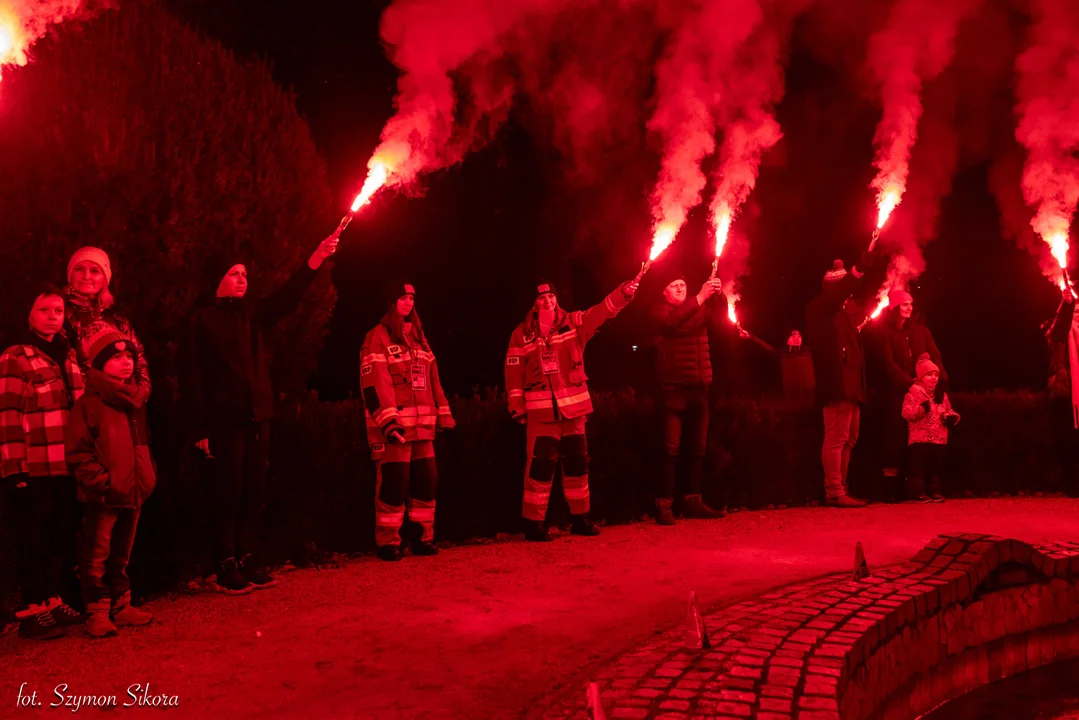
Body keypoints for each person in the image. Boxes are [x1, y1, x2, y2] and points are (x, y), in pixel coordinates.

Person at [179, 235, 339, 591]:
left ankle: (247, 556)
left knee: (253, 490)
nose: (242, 279)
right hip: (223, 421)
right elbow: (192, 376)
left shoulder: (251, 313)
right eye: (235, 273)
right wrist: (199, 427)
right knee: (227, 491)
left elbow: (289, 297)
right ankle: (223, 562)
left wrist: (315, 256)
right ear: (219, 277)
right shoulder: (199, 319)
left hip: (257, 416)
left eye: (245, 274)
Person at [505, 276, 638, 541]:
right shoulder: (521, 334)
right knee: (539, 472)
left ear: (557, 299)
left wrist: (624, 292)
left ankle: (580, 519)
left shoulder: (575, 323)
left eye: (551, 296)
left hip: (574, 414)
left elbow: (601, 311)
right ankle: (533, 525)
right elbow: (513, 372)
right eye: (542, 298)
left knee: (578, 468)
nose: (547, 301)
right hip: (541, 415)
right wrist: (516, 407)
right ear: (534, 303)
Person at [0, 285, 85, 639]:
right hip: (35, 463)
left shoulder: (67, 354)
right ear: (29, 314)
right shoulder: (15, 357)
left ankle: (53, 599)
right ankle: (31, 609)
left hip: (66, 461)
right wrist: (13, 466)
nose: (53, 317)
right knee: (32, 536)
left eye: (58, 311)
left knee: (59, 533)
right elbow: (7, 412)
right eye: (44, 310)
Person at [66, 323, 157, 638]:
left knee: (121, 555)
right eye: (117, 357)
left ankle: (121, 605)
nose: (126, 362)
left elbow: (142, 444)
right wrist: (102, 482)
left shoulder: (135, 403)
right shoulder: (89, 404)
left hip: (133, 491)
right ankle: (97, 611)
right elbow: (78, 452)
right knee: (96, 557)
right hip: (103, 495)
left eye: (130, 357)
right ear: (100, 364)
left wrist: (147, 474)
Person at [361, 281, 455, 561]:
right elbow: (375, 383)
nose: (408, 301)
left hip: (423, 429)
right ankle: (388, 542)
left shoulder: (419, 337)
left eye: (412, 297)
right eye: (402, 297)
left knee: (426, 482)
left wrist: (444, 414)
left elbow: (433, 378)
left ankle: (422, 538)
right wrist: (388, 423)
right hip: (395, 430)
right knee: (394, 484)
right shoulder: (377, 337)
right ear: (391, 302)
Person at [650, 271, 727, 525]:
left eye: (683, 284)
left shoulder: (697, 309)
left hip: (699, 389)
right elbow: (672, 323)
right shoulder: (659, 311)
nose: (680, 288)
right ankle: (664, 505)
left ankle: (692, 501)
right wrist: (701, 296)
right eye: (674, 285)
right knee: (670, 449)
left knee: (697, 449)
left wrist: (718, 298)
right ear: (665, 292)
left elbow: (720, 326)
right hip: (673, 391)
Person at [805, 255, 877, 508]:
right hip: (836, 385)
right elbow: (840, 293)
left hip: (851, 387)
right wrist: (859, 270)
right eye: (843, 287)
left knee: (850, 438)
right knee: (836, 439)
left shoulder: (841, 314)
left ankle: (841, 488)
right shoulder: (820, 308)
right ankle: (834, 490)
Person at [867, 288, 946, 498]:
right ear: (894, 307)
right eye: (904, 304)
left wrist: (941, 385)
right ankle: (891, 489)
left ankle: (919, 487)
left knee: (921, 440)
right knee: (894, 438)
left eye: (910, 304)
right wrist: (909, 384)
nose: (909, 308)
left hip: (922, 394)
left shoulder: (922, 331)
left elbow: (936, 358)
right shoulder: (885, 333)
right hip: (895, 393)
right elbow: (888, 364)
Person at [63, 247, 150, 407]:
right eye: (79, 269)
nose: (86, 276)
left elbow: (139, 359)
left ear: (105, 277)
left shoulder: (118, 320)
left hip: (126, 404)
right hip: (87, 406)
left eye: (94, 271)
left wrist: (141, 392)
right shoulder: (62, 313)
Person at [901, 353, 959, 502]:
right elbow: (906, 413)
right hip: (919, 439)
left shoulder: (941, 395)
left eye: (935, 375)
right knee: (917, 469)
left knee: (935, 469)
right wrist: (921, 410)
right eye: (929, 375)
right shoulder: (913, 394)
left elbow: (948, 409)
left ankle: (934, 491)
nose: (933, 378)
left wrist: (951, 417)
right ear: (920, 377)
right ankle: (916, 492)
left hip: (939, 438)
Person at [1045, 287, 1079, 496]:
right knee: (1069, 442)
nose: (1078, 315)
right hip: (1066, 394)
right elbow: (1060, 327)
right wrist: (1067, 304)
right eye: (1076, 312)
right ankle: (1073, 485)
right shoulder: (1057, 332)